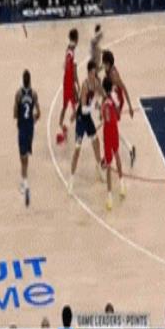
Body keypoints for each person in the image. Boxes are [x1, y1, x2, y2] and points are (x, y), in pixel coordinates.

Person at [68, 60, 104, 194]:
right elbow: (83, 109)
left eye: (96, 73)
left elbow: (101, 94)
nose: (94, 75)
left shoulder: (96, 83)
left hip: (87, 118)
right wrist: (94, 105)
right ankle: (71, 179)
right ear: (89, 73)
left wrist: (101, 104)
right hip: (81, 119)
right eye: (93, 73)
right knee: (77, 150)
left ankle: (98, 167)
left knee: (96, 142)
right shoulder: (84, 85)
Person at [102, 50, 136, 167]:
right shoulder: (108, 69)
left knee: (112, 127)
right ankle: (129, 148)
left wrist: (130, 107)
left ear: (108, 63)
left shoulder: (114, 75)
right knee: (112, 126)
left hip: (117, 101)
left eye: (104, 63)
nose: (103, 65)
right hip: (113, 97)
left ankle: (128, 148)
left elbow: (124, 88)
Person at [14, 69, 41, 207]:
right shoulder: (34, 94)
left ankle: (25, 183)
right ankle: (24, 180)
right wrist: (33, 120)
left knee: (22, 156)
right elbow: (38, 113)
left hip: (22, 128)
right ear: (30, 81)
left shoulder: (18, 94)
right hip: (30, 128)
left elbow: (15, 114)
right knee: (26, 156)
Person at [102, 77, 126, 210]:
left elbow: (105, 117)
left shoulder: (105, 102)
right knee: (117, 156)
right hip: (114, 130)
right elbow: (118, 115)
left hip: (107, 132)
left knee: (108, 164)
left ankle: (109, 196)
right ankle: (122, 185)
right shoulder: (114, 98)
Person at [57, 29, 80, 144]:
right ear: (76, 38)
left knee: (65, 106)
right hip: (70, 82)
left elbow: (65, 66)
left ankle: (60, 126)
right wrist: (77, 85)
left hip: (65, 80)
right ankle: (65, 129)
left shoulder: (68, 49)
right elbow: (74, 71)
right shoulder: (74, 51)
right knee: (76, 109)